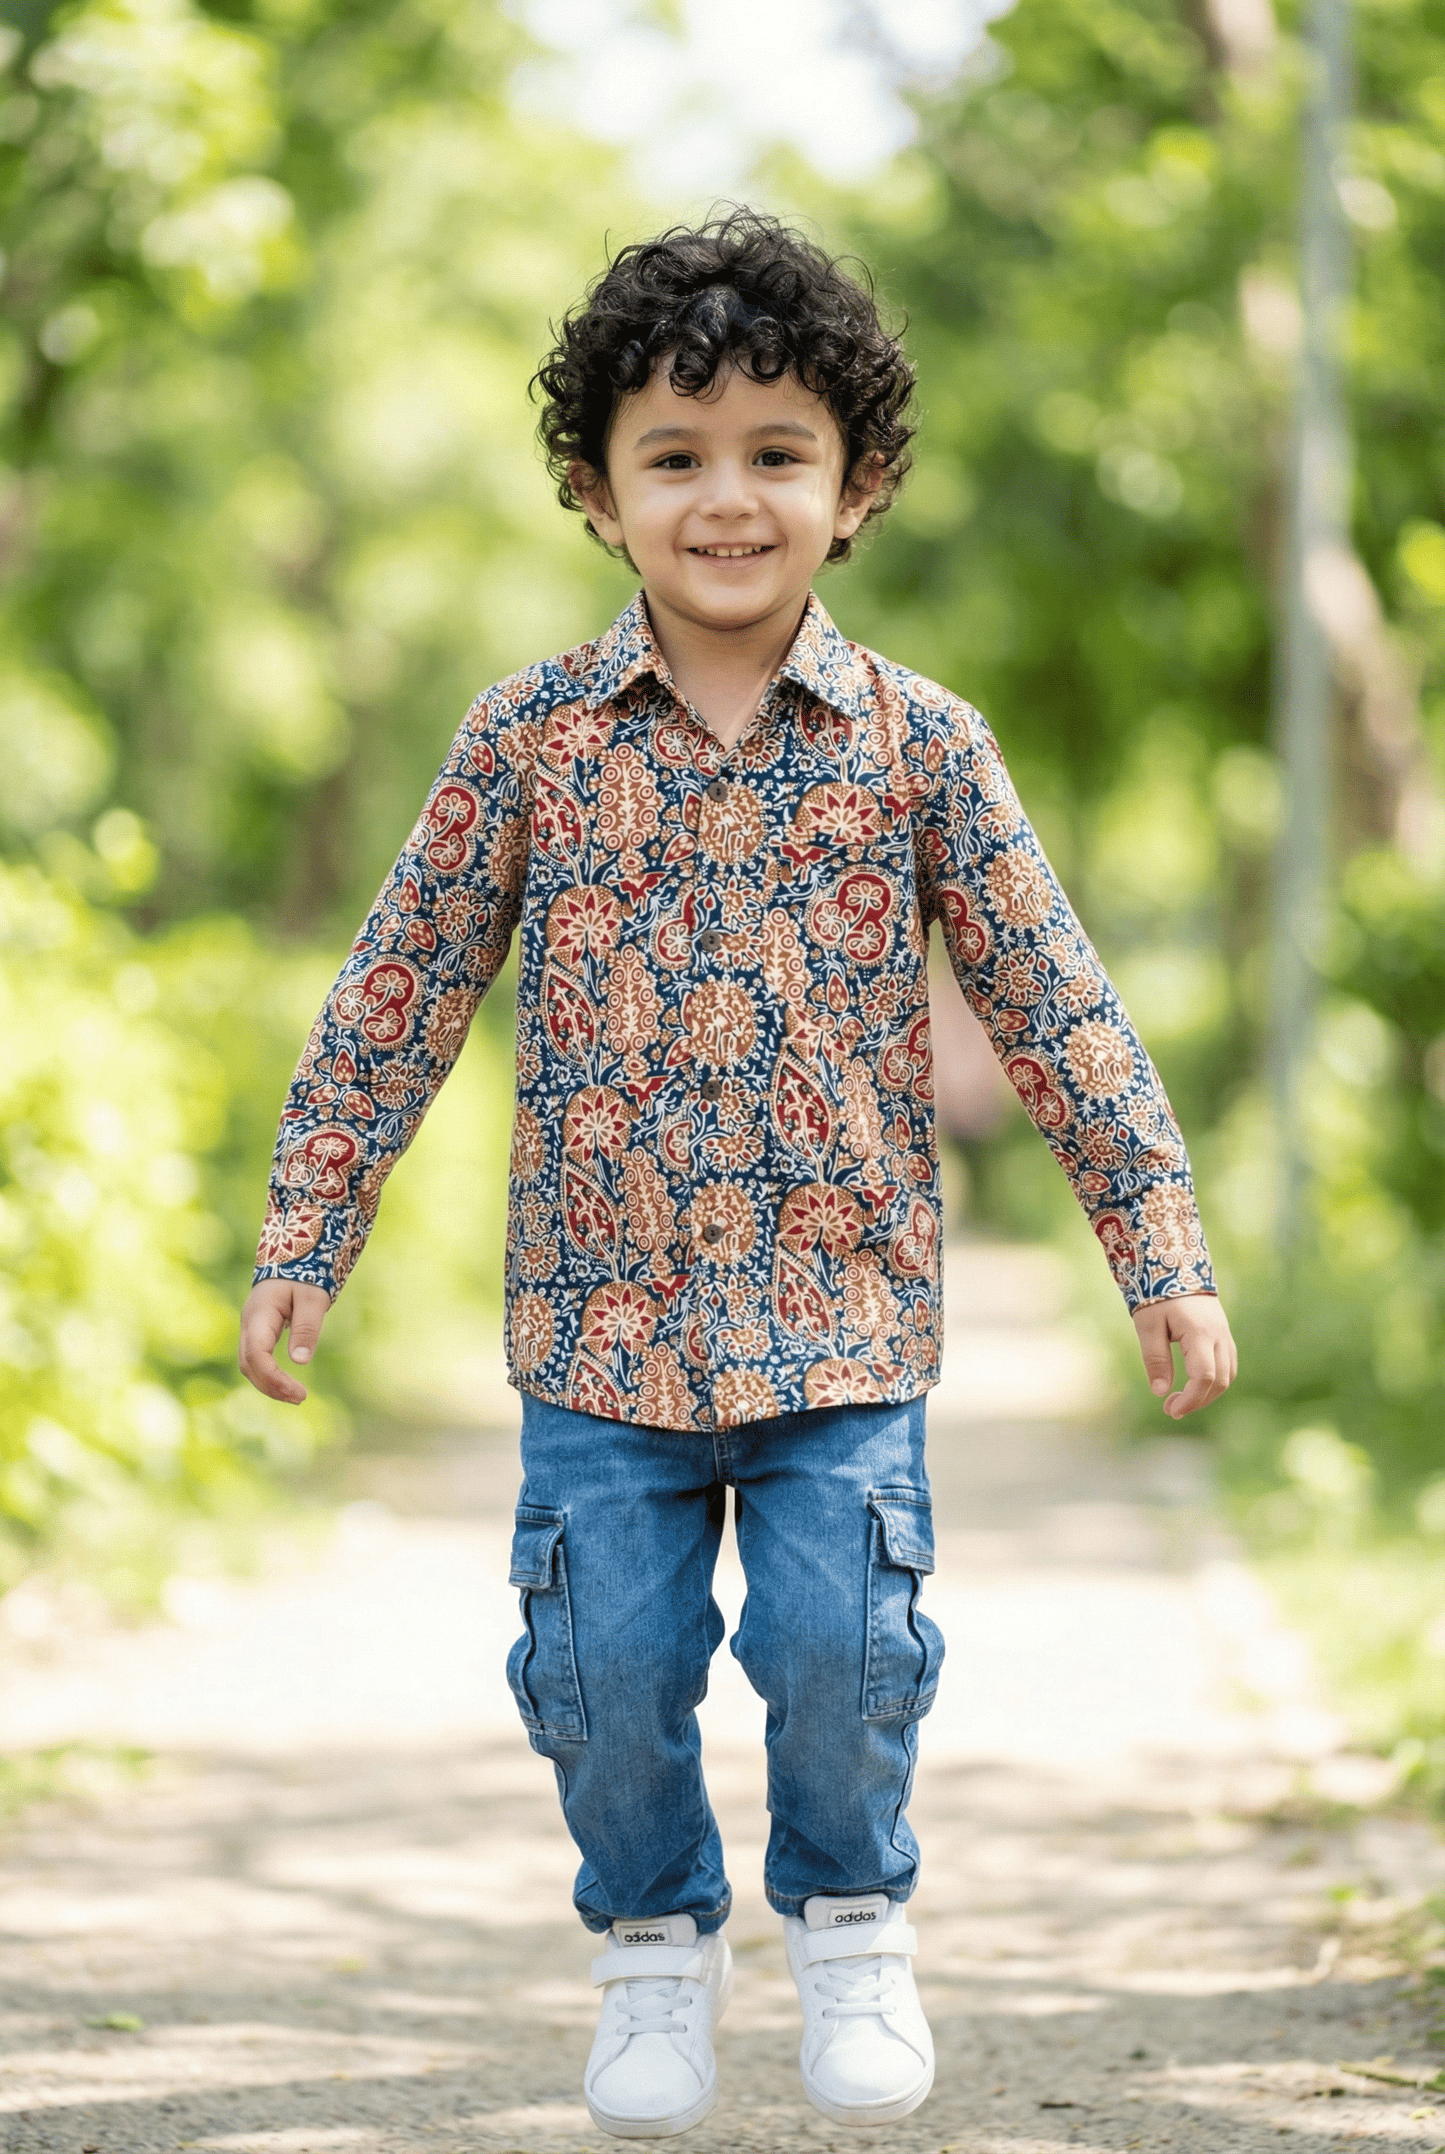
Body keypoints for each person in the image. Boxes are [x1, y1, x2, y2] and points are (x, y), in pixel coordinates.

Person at [239, 208, 1236, 2140]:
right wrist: (313, 1220)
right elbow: (400, 986)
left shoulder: (921, 745)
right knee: (605, 1670)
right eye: (674, 457)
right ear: (599, 493)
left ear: (853, 488)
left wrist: (1157, 1245)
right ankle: (650, 1952)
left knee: (840, 1653)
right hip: (596, 1335)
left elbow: (1057, 1000)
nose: (727, 499)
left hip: (845, 1323)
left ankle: (854, 1922)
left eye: (777, 454)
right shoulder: (525, 742)